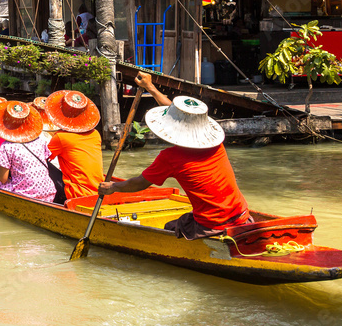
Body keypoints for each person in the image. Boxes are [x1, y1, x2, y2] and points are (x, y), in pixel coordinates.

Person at [98, 74, 251, 240]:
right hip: (242, 215)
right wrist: (151, 87)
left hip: (213, 224)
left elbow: (140, 183)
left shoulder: (170, 158)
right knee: (188, 216)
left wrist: (113, 188)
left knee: (169, 228)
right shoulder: (216, 145)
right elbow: (176, 112)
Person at [0, 100, 57, 202]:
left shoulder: (7, 146)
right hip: (49, 192)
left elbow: (3, 179)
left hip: (25, 195)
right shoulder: (40, 140)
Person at [43, 90, 104, 200]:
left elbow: (42, 158)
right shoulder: (95, 134)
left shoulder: (61, 137)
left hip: (76, 193)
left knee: (40, 160)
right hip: (97, 189)